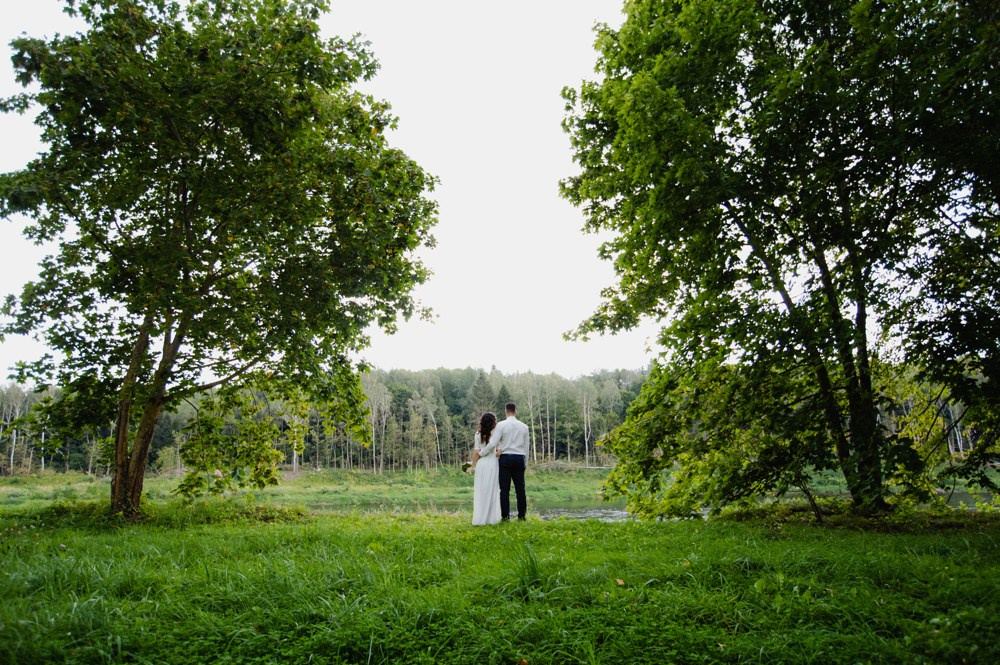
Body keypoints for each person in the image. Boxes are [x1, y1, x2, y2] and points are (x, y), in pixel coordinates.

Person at [492, 402, 530, 520]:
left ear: (505, 411)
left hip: (505, 458)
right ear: (516, 411)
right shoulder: (524, 426)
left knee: (504, 489)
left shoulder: (500, 425)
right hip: (519, 458)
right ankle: (522, 516)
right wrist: (526, 463)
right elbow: (526, 447)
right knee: (520, 489)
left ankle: (505, 516)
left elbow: (495, 442)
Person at [471, 411, 501, 525]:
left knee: (481, 490)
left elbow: (476, 452)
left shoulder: (478, 434)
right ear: (493, 422)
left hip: (481, 464)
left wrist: (472, 466)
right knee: (493, 490)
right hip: (493, 463)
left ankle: (480, 518)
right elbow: (499, 452)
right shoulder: (497, 434)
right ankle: (492, 519)